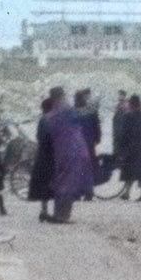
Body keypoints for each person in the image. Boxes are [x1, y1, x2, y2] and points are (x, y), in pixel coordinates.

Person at [44, 91, 96, 223]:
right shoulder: (66, 111)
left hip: (60, 151)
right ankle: (62, 216)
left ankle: (58, 214)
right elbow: (85, 112)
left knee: (61, 182)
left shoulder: (52, 115)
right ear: (61, 97)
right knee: (68, 184)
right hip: (72, 151)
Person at [28, 88, 61, 219]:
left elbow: (39, 136)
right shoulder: (53, 120)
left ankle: (44, 210)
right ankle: (55, 212)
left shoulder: (42, 120)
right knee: (55, 182)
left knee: (44, 183)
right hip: (52, 155)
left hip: (42, 155)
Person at [113, 94, 141, 199]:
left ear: (130, 104)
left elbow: (123, 134)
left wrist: (120, 149)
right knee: (140, 172)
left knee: (129, 171)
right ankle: (130, 193)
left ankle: (140, 193)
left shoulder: (127, 116)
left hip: (129, 148)